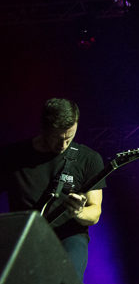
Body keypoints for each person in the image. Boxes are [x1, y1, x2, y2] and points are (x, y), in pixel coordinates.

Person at [0, 98, 105, 281]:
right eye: (57, 138)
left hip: (69, 235)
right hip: (24, 236)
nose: (63, 145)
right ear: (44, 129)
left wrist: (78, 212)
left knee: (68, 278)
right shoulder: (13, 156)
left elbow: (95, 212)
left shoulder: (88, 159)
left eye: (69, 138)